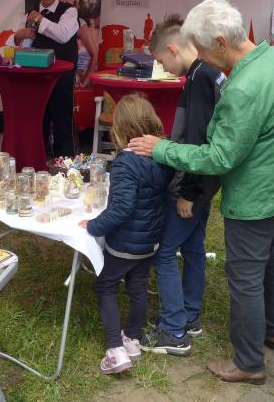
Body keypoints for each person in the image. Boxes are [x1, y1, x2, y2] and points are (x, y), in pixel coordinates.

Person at [128, 0, 274, 384]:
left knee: (245, 277)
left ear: (220, 42)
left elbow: (219, 157)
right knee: (267, 261)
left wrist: (161, 148)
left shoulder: (243, 87)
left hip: (256, 196)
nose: (199, 57)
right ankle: (271, 329)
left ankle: (248, 362)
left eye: (201, 49)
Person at [140, 14, 223, 356]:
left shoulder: (199, 78)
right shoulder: (208, 72)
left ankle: (174, 330)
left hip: (193, 185)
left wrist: (189, 193)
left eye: (161, 61)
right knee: (192, 248)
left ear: (173, 49)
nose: (163, 68)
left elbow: (200, 140)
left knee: (164, 253)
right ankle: (189, 315)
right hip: (206, 184)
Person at [78, 94, 174, 374]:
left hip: (124, 243)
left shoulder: (124, 163)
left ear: (119, 128)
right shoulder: (162, 157)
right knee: (138, 287)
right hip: (150, 240)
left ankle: (115, 349)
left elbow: (122, 208)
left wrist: (94, 226)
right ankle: (132, 339)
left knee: (105, 286)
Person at [14, 0, 79, 157]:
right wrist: (19, 37)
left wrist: (39, 19)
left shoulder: (69, 11)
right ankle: (39, 160)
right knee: (39, 120)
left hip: (62, 77)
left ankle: (64, 163)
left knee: (62, 120)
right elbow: (24, 44)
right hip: (37, 76)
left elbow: (62, 35)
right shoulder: (30, 13)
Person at [56, 0, 100, 86]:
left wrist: (83, 82)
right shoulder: (48, 19)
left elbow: (94, 55)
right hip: (46, 80)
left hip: (66, 82)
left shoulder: (79, 23)